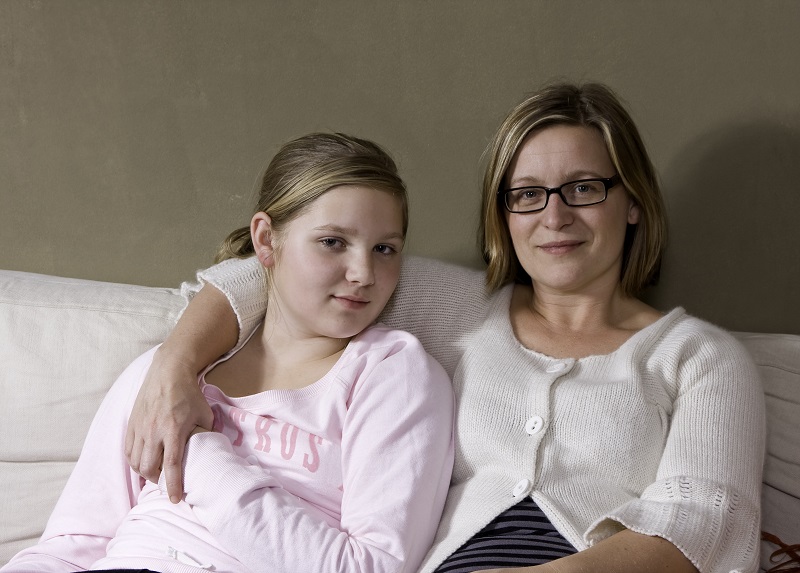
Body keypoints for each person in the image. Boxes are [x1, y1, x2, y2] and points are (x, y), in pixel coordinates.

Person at [124, 83, 766, 573]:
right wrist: (173, 369)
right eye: (528, 194)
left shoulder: (699, 357)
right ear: (504, 214)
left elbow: (701, 525)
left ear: (632, 203)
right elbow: (272, 276)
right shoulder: (461, 306)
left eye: (584, 188)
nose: (555, 216)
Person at [1, 133, 454, 573]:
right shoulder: (165, 378)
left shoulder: (391, 373)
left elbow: (372, 566)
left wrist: (198, 453)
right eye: (333, 242)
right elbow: (72, 546)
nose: (363, 273)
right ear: (266, 240)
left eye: (384, 249)